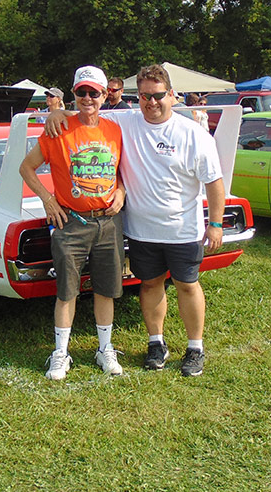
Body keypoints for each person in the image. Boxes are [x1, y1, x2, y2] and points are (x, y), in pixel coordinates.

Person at [48, 63, 227, 377]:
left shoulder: (194, 135)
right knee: (150, 284)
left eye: (158, 95)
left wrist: (215, 223)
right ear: (137, 97)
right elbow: (88, 109)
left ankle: (195, 347)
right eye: (144, 96)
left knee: (187, 284)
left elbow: (213, 182)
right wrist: (57, 113)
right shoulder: (126, 120)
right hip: (142, 230)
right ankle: (156, 343)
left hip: (183, 229)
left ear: (172, 95)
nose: (151, 102)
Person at [20, 66, 125, 380]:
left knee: (106, 290)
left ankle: (104, 348)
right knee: (67, 292)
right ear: (74, 94)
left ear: (106, 95)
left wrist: (121, 190)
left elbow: (119, 171)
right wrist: (47, 199)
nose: (88, 98)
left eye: (94, 92)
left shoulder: (115, 129)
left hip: (108, 223)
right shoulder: (58, 128)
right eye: (82, 92)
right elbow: (27, 168)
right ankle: (60, 353)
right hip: (72, 223)